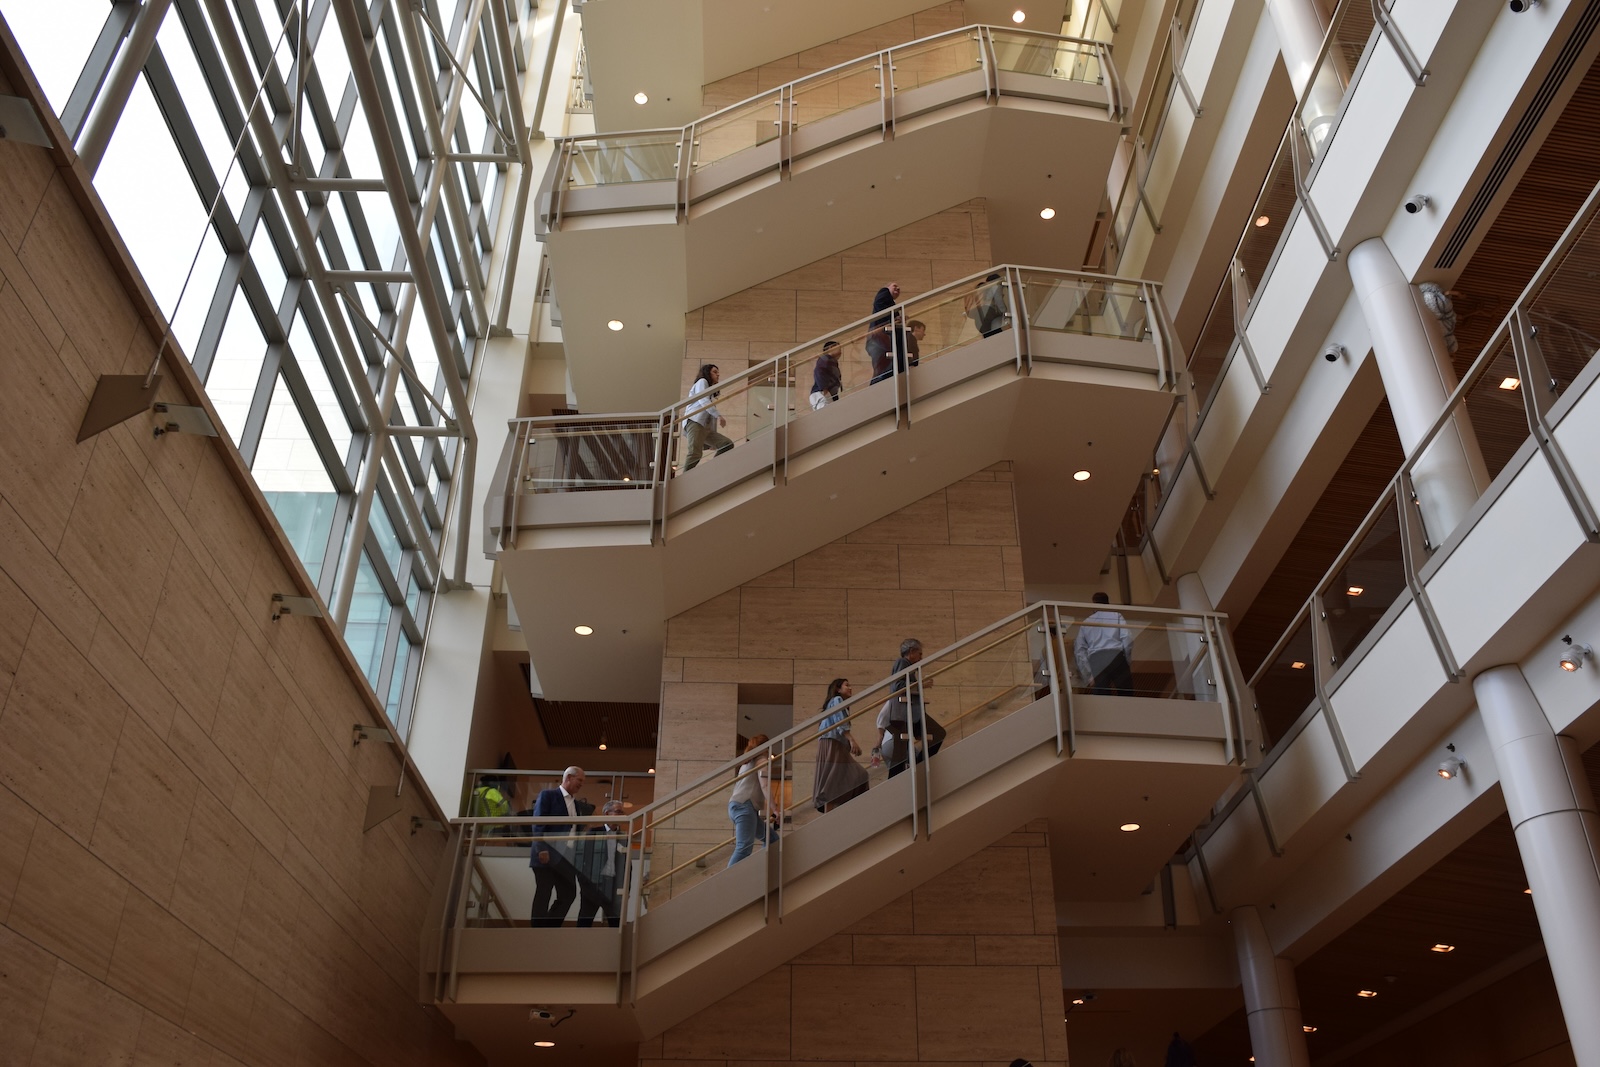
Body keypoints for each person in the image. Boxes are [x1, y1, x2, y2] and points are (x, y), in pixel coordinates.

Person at [876, 638, 946, 778]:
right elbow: (897, 687)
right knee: (937, 734)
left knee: (900, 753)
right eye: (919, 653)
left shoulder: (909, 668)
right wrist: (921, 684)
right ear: (912, 652)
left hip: (907, 715)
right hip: (905, 715)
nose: (921, 657)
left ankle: (899, 778)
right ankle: (919, 766)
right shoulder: (902, 663)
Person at [528, 766, 586, 927]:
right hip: (546, 852)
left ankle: (550, 926)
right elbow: (538, 822)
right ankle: (537, 930)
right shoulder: (548, 795)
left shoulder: (577, 805)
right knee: (544, 892)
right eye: (579, 780)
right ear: (568, 778)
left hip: (566, 855)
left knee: (568, 893)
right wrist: (541, 848)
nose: (581, 784)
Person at [812, 679, 869, 812]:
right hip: (832, 742)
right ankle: (831, 812)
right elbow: (839, 721)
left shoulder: (836, 702)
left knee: (852, 775)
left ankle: (836, 811)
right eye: (847, 685)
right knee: (836, 777)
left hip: (834, 742)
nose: (850, 688)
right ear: (838, 689)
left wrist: (849, 743)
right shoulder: (837, 700)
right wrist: (851, 740)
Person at [574, 799, 627, 928]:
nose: (622, 815)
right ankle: (578, 947)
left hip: (613, 886)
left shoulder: (623, 836)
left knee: (615, 923)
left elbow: (626, 865)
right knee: (585, 922)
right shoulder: (593, 833)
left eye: (622, 812)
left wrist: (626, 887)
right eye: (618, 812)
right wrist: (584, 882)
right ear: (607, 813)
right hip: (593, 885)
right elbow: (581, 858)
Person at [728, 734, 779, 866]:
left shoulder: (747, 762)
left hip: (737, 806)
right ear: (766, 747)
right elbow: (765, 785)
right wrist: (775, 809)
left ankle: (760, 869)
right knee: (744, 848)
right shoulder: (761, 760)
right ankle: (727, 883)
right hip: (745, 806)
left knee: (772, 839)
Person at [1075, 592, 1135, 696]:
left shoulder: (1086, 622)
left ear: (1093, 604)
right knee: (1126, 694)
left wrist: (1088, 674)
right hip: (1116, 656)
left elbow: (1079, 650)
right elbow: (1127, 638)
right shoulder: (1116, 616)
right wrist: (1126, 658)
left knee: (1101, 697)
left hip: (1096, 659)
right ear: (1107, 603)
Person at [681, 363, 733, 471]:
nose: (718, 375)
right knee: (695, 453)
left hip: (705, 428)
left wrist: (712, 441)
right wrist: (719, 416)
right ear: (707, 373)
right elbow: (703, 401)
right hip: (695, 422)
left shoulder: (709, 392)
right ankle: (684, 480)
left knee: (726, 444)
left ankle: (711, 470)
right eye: (715, 372)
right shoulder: (702, 381)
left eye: (718, 372)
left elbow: (708, 411)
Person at [866, 282, 906, 384]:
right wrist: (894, 318)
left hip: (881, 338)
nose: (898, 288)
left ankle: (877, 384)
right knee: (882, 365)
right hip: (879, 337)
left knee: (883, 365)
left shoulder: (890, 303)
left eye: (899, 287)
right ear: (887, 287)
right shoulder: (884, 292)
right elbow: (879, 305)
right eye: (894, 286)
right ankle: (876, 385)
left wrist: (897, 319)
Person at [965, 273, 1006, 337]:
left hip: (979, 317)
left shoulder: (981, 287)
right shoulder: (995, 286)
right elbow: (999, 300)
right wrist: (1005, 312)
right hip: (988, 313)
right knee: (997, 336)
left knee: (989, 337)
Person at [810, 340, 843, 410]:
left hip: (829, 394)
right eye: (839, 348)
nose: (841, 352)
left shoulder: (832, 362)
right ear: (831, 347)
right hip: (822, 393)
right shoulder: (825, 359)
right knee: (825, 413)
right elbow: (819, 371)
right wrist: (824, 388)